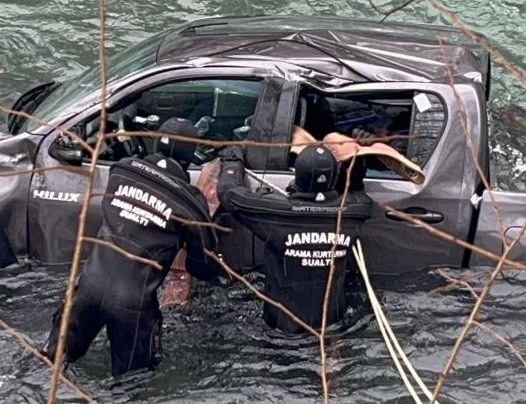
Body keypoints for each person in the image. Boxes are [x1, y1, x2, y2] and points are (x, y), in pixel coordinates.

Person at [46, 117, 219, 377]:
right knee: (129, 386)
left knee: (49, 365)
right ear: (189, 156)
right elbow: (203, 267)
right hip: (133, 307)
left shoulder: (122, 170)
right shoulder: (189, 203)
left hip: (86, 292)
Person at [216, 142, 373, 334]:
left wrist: (232, 158)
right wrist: (355, 158)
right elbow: (357, 191)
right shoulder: (353, 214)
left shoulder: (274, 213)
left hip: (282, 334)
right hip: (334, 329)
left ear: (297, 176)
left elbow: (228, 192)